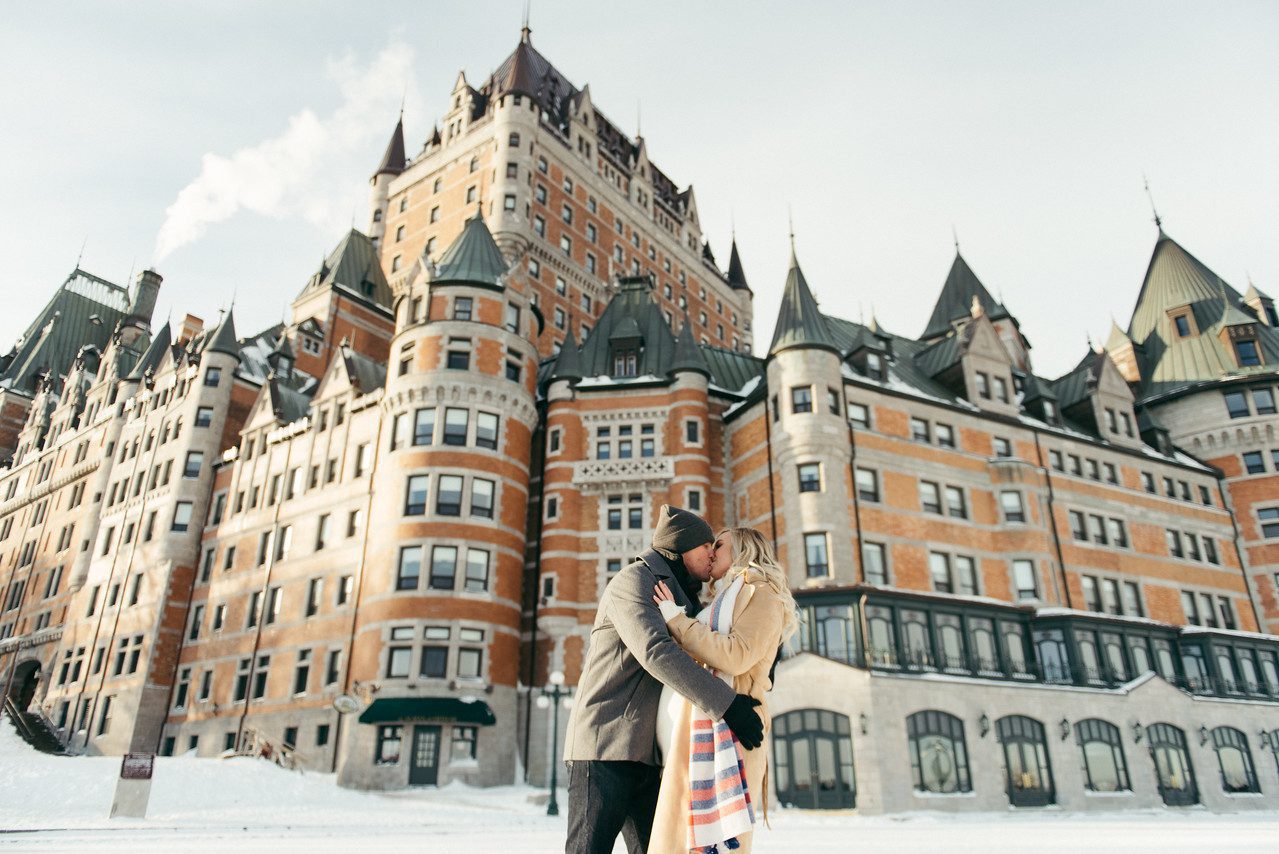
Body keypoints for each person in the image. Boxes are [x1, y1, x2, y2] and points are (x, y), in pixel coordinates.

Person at [563, 506, 766, 854]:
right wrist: (726, 704)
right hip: (605, 747)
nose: (713, 554)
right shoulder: (635, 581)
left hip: (649, 755)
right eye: (707, 546)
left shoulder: (687, 600)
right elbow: (655, 651)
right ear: (680, 549)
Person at [648, 527, 798, 854]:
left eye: (719, 545)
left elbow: (735, 655)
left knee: (719, 841)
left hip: (734, 727)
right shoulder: (725, 598)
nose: (711, 551)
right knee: (681, 836)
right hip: (703, 727)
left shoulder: (762, 592)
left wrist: (676, 619)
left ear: (744, 549)